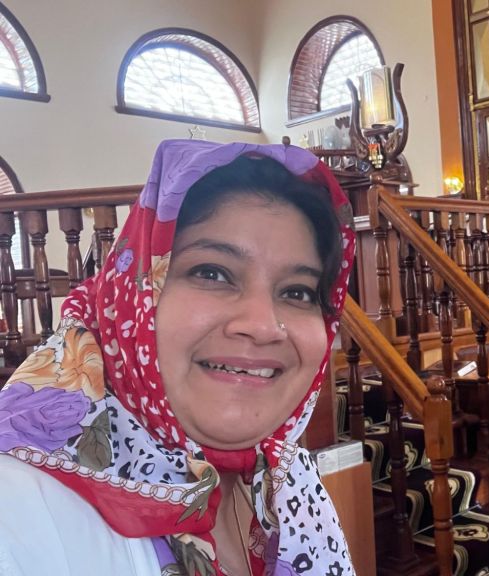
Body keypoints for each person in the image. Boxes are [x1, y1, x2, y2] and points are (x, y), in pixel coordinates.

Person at [0, 140, 358, 576]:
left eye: (298, 292)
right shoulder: (20, 511)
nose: (264, 326)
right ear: (132, 297)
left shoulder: (289, 480)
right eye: (212, 273)